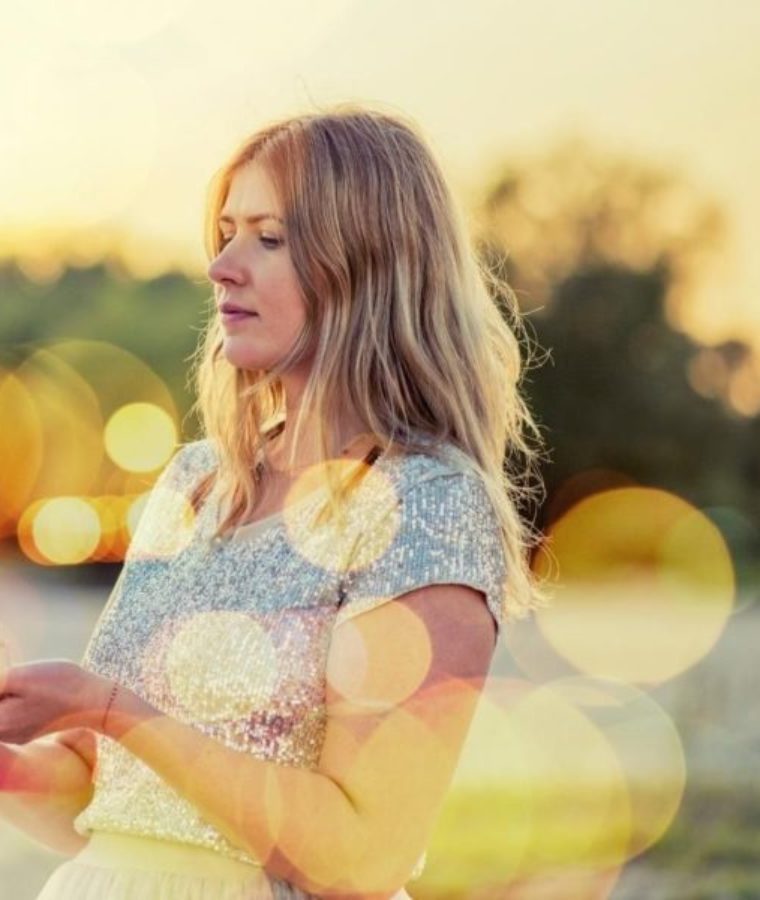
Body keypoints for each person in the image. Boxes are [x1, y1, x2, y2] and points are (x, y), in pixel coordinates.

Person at [0, 104, 548, 899]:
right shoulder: (195, 481)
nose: (223, 266)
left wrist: (110, 708)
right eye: (224, 233)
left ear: (371, 263)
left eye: (268, 237)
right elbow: (109, 803)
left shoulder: (425, 502)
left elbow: (364, 858)